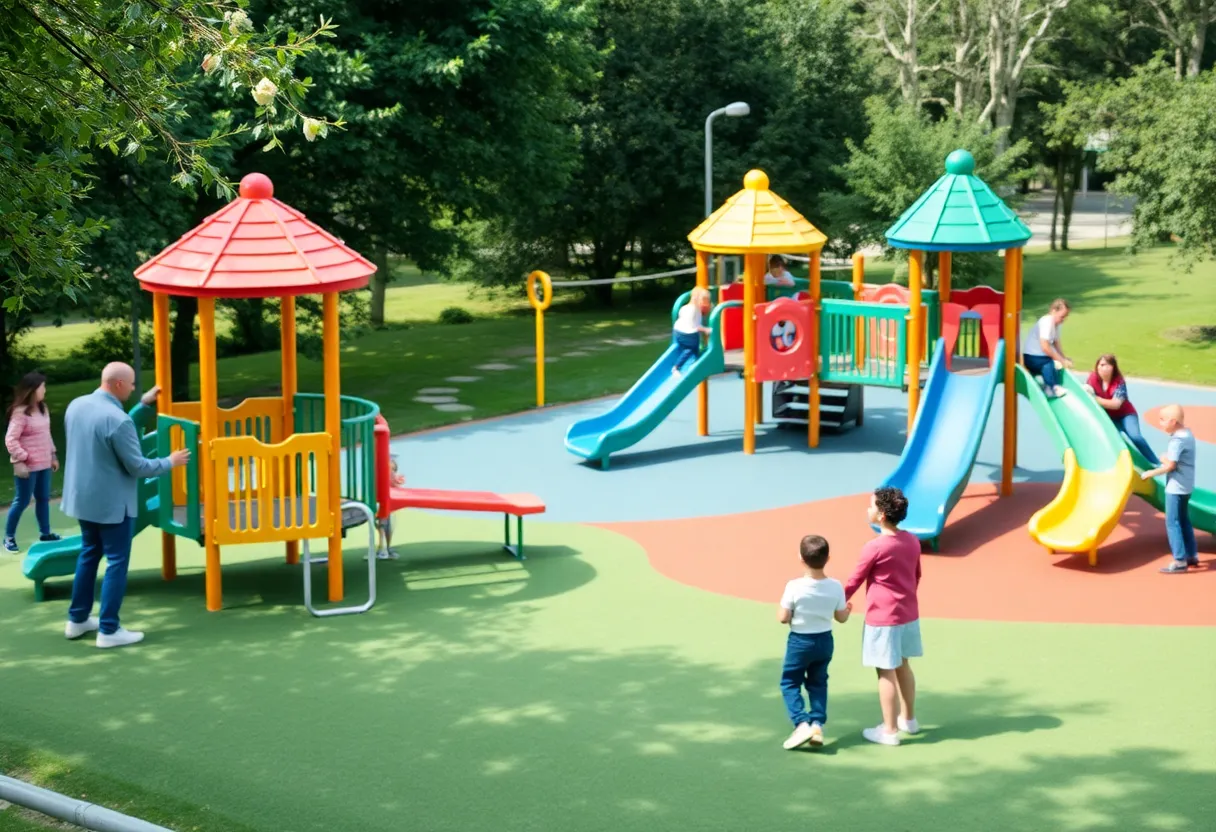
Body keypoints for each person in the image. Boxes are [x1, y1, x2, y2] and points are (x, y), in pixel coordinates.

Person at [62, 364, 190, 648]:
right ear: (119, 384)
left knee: (89, 554)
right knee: (117, 562)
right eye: (131, 384)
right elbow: (138, 466)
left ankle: (77, 619)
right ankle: (109, 630)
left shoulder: (77, 405)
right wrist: (170, 461)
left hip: (82, 499)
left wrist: (143, 406)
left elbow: (111, 431)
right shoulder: (118, 420)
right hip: (112, 504)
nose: (133, 388)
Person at [845, 487, 923, 747]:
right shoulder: (912, 541)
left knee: (885, 672)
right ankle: (909, 719)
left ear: (881, 515)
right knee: (903, 664)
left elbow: (854, 580)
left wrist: (838, 602)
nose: (868, 509)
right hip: (908, 614)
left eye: (871, 506)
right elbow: (916, 576)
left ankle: (889, 731)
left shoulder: (874, 547)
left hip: (883, 618)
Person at [777, 534, 851, 750]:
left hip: (800, 641)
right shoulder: (835, 586)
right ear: (828, 558)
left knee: (790, 682)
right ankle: (817, 724)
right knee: (818, 682)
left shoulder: (794, 586)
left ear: (801, 558)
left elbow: (783, 617)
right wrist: (847, 610)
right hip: (825, 640)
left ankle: (801, 723)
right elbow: (841, 617)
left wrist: (788, 613)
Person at [4, 372, 61, 553]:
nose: (45, 390)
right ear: (32, 390)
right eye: (42, 387)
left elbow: (46, 434)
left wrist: (53, 455)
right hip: (27, 467)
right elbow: (11, 439)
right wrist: (24, 457)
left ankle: (45, 533)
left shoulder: (43, 409)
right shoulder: (20, 413)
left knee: (43, 499)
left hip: (44, 464)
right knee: (22, 501)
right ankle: (9, 537)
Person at [1140, 405, 1198, 573]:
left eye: (1163, 420)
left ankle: (1179, 560)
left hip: (1175, 488)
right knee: (1184, 520)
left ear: (1173, 421)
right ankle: (1191, 555)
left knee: (1172, 522)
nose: (1160, 423)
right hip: (1186, 485)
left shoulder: (1177, 440)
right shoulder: (1188, 434)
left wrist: (1152, 471)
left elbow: (1171, 465)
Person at [1085, 354, 1160, 465]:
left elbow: (1115, 404)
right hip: (1108, 416)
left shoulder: (1119, 382)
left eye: (1106, 365)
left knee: (1135, 436)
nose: (1103, 368)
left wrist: (1095, 398)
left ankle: (1155, 462)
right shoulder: (1092, 379)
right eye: (1100, 365)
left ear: (1113, 367)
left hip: (1126, 414)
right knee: (1113, 439)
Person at [1023, 298, 1072, 398]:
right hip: (1031, 357)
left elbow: (1056, 343)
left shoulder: (1056, 324)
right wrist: (1061, 360)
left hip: (1039, 357)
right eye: (1062, 316)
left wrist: (1063, 358)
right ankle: (1052, 387)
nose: (1063, 320)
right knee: (1048, 363)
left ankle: (1052, 385)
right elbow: (1045, 347)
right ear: (1054, 311)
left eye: (1065, 317)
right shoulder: (1046, 322)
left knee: (1055, 365)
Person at [671, 287, 712, 374]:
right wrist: (706, 329)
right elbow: (695, 326)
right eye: (705, 302)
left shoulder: (685, 307)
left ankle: (695, 360)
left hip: (677, 331)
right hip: (687, 333)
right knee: (689, 349)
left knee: (693, 348)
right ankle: (676, 367)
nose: (706, 305)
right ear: (700, 301)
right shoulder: (694, 310)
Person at [376, 456, 406, 559]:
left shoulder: (393, 478)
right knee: (382, 526)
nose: (391, 472)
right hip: (382, 505)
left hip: (391, 506)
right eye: (389, 469)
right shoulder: (380, 478)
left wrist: (397, 482)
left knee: (389, 527)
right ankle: (382, 549)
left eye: (393, 470)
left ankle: (387, 548)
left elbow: (397, 486)